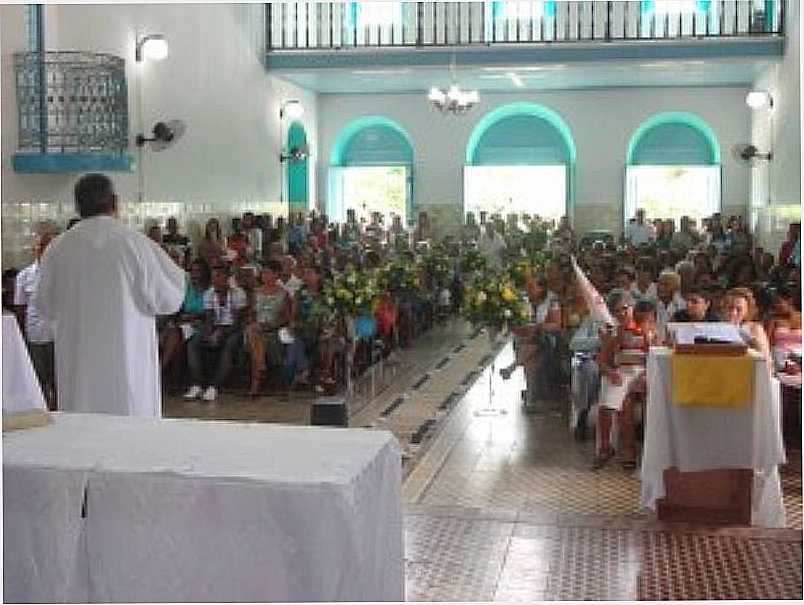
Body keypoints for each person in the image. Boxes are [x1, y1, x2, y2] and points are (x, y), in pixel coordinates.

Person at [34, 173, 185, 417]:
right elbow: (170, 299)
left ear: (78, 207)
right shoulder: (136, 244)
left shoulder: (57, 249)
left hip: (79, 364)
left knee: (82, 428)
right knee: (130, 427)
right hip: (128, 363)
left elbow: (44, 305)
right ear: (114, 202)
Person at [185, 265, 248, 402]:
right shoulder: (209, 293)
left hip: (234, 329)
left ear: (227, 278)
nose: (215, 280)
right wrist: (209, 334)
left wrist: (220, 334)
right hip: (215, 327)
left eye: (219, 276)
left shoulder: (238, 293)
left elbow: (237, 323)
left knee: (229, 346)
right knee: (193, 343)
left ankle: (214, 386)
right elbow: (209, 319)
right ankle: (197, 384)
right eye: (213, 277)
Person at [14, 232, 57, 409]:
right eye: (42, 245)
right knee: (39, 379)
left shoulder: (63, 274)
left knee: (59, 379)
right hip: (35, 335)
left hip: (58, 336)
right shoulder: (24, 276)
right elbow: (20, 308)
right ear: (35, 249)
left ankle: (60, 411)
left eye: (49, 245)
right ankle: (43, 409)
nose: (45, 249)